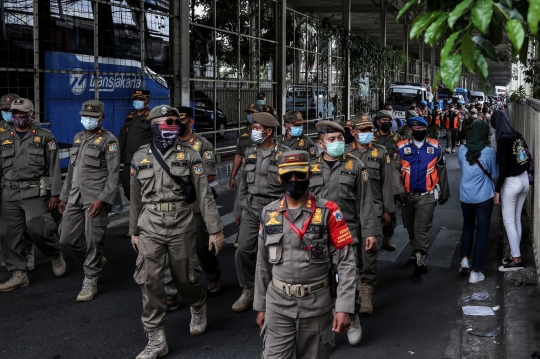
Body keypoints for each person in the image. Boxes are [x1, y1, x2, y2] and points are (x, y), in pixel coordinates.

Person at [129, 105, 225, 358]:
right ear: (152, 126)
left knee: (186, 277)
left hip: (182, 222)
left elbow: (204, 196)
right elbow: (135, 198)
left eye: (174, 122)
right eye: (164, 122)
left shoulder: (191, 155)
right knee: (149, 279)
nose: (171, 126)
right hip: (150, 223)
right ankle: (156, 338)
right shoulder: (140, 157)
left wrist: (215, 230)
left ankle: (197, 305)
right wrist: (134, 231)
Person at [254, 150, 357, 358]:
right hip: (278, 305)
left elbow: (346, 261)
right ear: (279, 177)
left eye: (300, 175)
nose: (294, 180)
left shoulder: (329, 211)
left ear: (310, 175)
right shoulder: (269, 213)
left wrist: (344, 307)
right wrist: (260, 305)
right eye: (287, 176)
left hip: (317, 307)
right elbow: (262, 263)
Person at [309, 120, 379, 345]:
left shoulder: (355, 166)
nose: (338, 143)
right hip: (317, 233)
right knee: (320, 279)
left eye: (340, 139)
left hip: (347, 232)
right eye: (332, 140)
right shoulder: (310, 168)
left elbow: (365, 202)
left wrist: (370, 232)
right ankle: (327, 320)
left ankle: (352, 315)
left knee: (349, 278)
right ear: (321, 144)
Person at [0, 98, 66, 292]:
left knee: (39, 229)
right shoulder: (3, 136)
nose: (18, 118)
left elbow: (54, 167)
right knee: (8, 234)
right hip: (8, 192)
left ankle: (54, 253)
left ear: (32, 115)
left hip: (34, 191)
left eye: (22, 114)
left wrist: (55, 194)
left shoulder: (45, 136)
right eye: (15, 114)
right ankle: (18, 274)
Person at [58, 100, 120, 301]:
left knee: (93, 239)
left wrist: (102, 199)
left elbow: (113, 174)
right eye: (85, 116)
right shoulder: (78, 138)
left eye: (92, 117)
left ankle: (90, 278)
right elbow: (71, 172)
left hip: (95, 198)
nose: (88, 120)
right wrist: (64, 197)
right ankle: (93, 261)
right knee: (65, 238)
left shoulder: (109, 141)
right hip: (75, 196)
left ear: (101, 118)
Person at [163, 106, 222, 310]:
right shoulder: (167, 143)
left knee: (201, 245)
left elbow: (210, 174)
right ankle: (170, 292)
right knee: (169, 247)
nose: (177, 124)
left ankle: (213, 276)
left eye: (181, 119)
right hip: (173, 203)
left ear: (190, 122)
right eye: (173, 120)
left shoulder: (202, 144)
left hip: (196, 202)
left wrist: (187, 184)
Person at [232, 112, 290, 312]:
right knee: (243, 250)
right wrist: (238, 210)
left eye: (257, 129)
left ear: (269, 131)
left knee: (275, 252)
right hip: (251, 207)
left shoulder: (284, 154)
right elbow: (242, 184)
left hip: (275, 208)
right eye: (253, 128)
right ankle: (248, 289)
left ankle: (274, 289)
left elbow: (292, 185)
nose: (253, 132)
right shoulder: (249, 152)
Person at [345, 115, 395, 317]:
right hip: (349, 211)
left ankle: (366, 292)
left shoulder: (380, 152)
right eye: (362, 130)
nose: (366, 133)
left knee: (369, 253)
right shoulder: (346, 152)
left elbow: (387, 183)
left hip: (373, 210)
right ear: (353, 132)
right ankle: (354, 287)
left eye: (369, 129)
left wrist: (387, 210)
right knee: (350, 252)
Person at [397, 116, 450, 275]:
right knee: (410, 227)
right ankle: (415, 252)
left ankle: (420, 256)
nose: (419, 132)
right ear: (410, 130)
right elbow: (394, 172)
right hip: (406, 196)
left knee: (421, 227)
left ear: (426, 130)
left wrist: (445, 192)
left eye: (422, 129)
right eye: (416, 129)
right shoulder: (400, 147)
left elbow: (442, 170)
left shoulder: (435, 147)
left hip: (427, 195)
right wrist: (396, 192)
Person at [458, 120, 498, 283]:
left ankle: (464, 260)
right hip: (484, 197)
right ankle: (476, 271)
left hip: (466, 196)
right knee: (482, 232)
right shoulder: (489, 152)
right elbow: (494, 175)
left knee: (468, 226)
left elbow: (463, 167)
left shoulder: (461, 149)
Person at [491, 110, 530, 272]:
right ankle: (514, 256)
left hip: (511, 183)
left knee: (509, 222)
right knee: (516, 220)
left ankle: (517, 259)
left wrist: (497, 190)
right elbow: (525, 155)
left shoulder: (502, 140)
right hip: (524, 180)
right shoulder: (517, 135)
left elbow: (503, 168)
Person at [373, 110, 403, 250]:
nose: (387, 122)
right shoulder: (372, 138)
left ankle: (388, 237)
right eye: (384, 120)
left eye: (389, 120)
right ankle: (373, 236)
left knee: (390, 208)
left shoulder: (397, 138)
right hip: (374, 178)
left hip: (390, 178)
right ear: (378, 122)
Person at [118, 89, 152, 200]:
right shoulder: (130, 116)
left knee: (144, 189)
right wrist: (117, 158)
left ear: (148, 101)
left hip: (144, 161)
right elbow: (122, 138)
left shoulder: (152, 117)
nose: (138, 101)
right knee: (128, 189)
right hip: (129, 160)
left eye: (141, 99)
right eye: (136, 99)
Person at [228, 103, 261, 191]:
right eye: (248, 113)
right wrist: (232, 177)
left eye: (252, 113)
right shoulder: (243, 132)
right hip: (245, 172)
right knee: (241, 201)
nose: (250, 115)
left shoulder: (266, 131)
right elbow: (238, 155)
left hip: (261, 173)